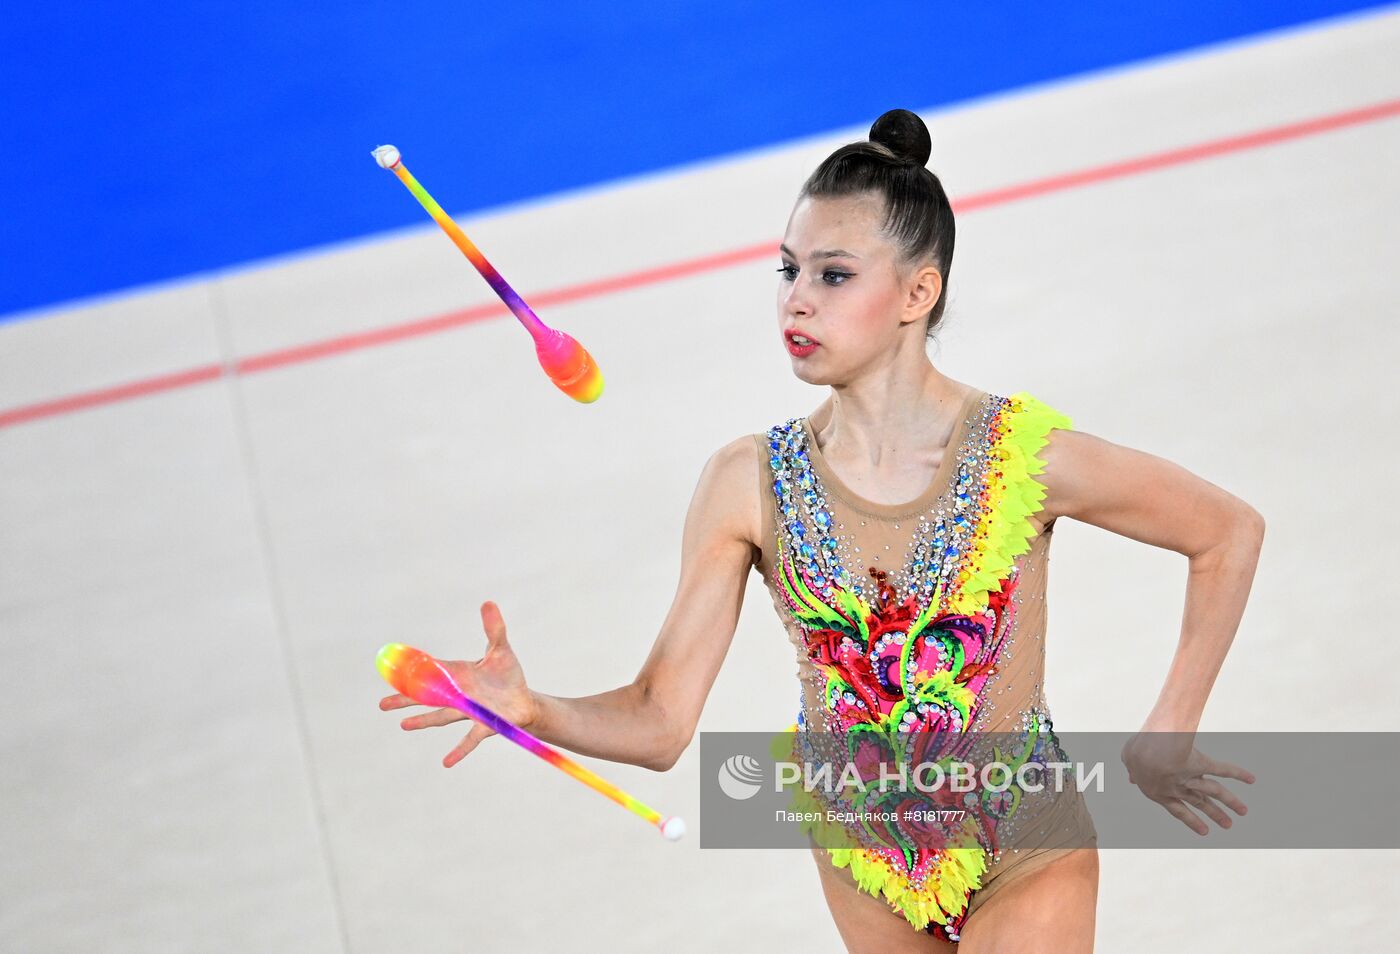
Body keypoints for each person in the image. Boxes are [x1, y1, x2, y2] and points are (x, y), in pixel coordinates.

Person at [378, 108, 1264, 952]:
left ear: (920, 291)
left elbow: (1226, 530)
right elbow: (658, 721)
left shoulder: (1021, 458)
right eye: (789, 270)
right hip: (862, 865)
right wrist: (534, 709)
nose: (797, 301)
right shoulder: (747, 483)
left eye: (834, 275)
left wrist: (1170, 725)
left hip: (1022, 840)